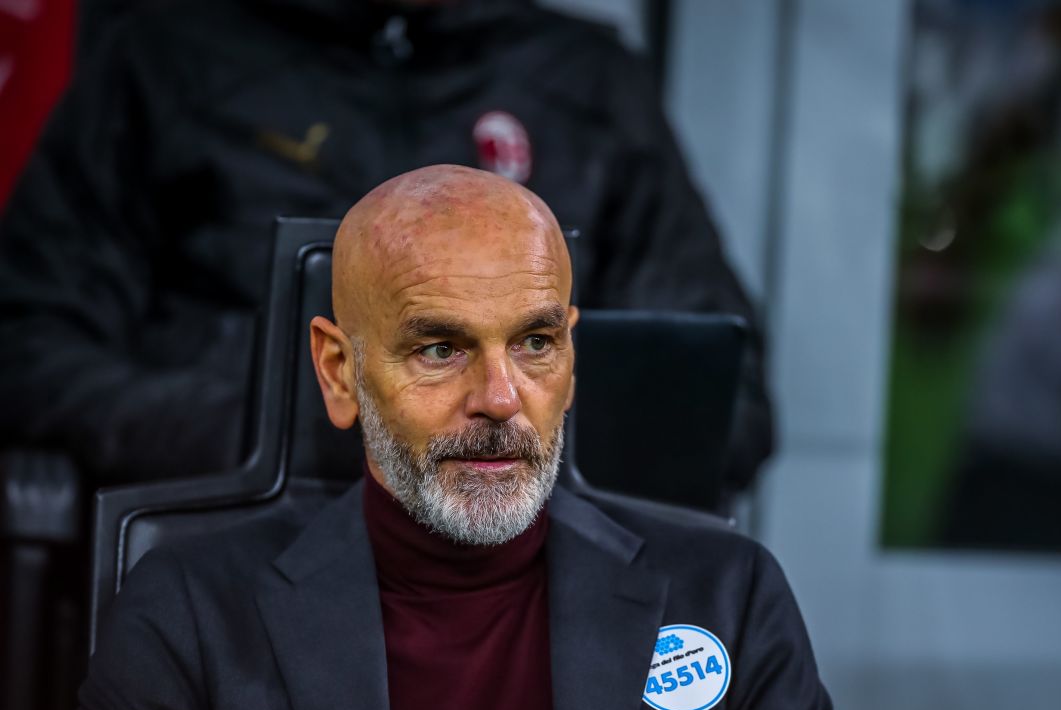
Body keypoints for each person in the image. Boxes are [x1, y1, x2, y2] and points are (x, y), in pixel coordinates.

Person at [42, 166, 848, 710]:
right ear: (339, 372)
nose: (500, 398)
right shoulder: (191, 611)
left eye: (535, 343)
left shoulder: (727, 597)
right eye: (439, 349)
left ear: (572, 357)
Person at [0, 0, 772, 492]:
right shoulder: (166, 56)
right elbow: (27, 347)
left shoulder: (588, 82)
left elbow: (722, 402)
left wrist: (500, 442)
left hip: (528, 566)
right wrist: (279, 433)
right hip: (230, 541)